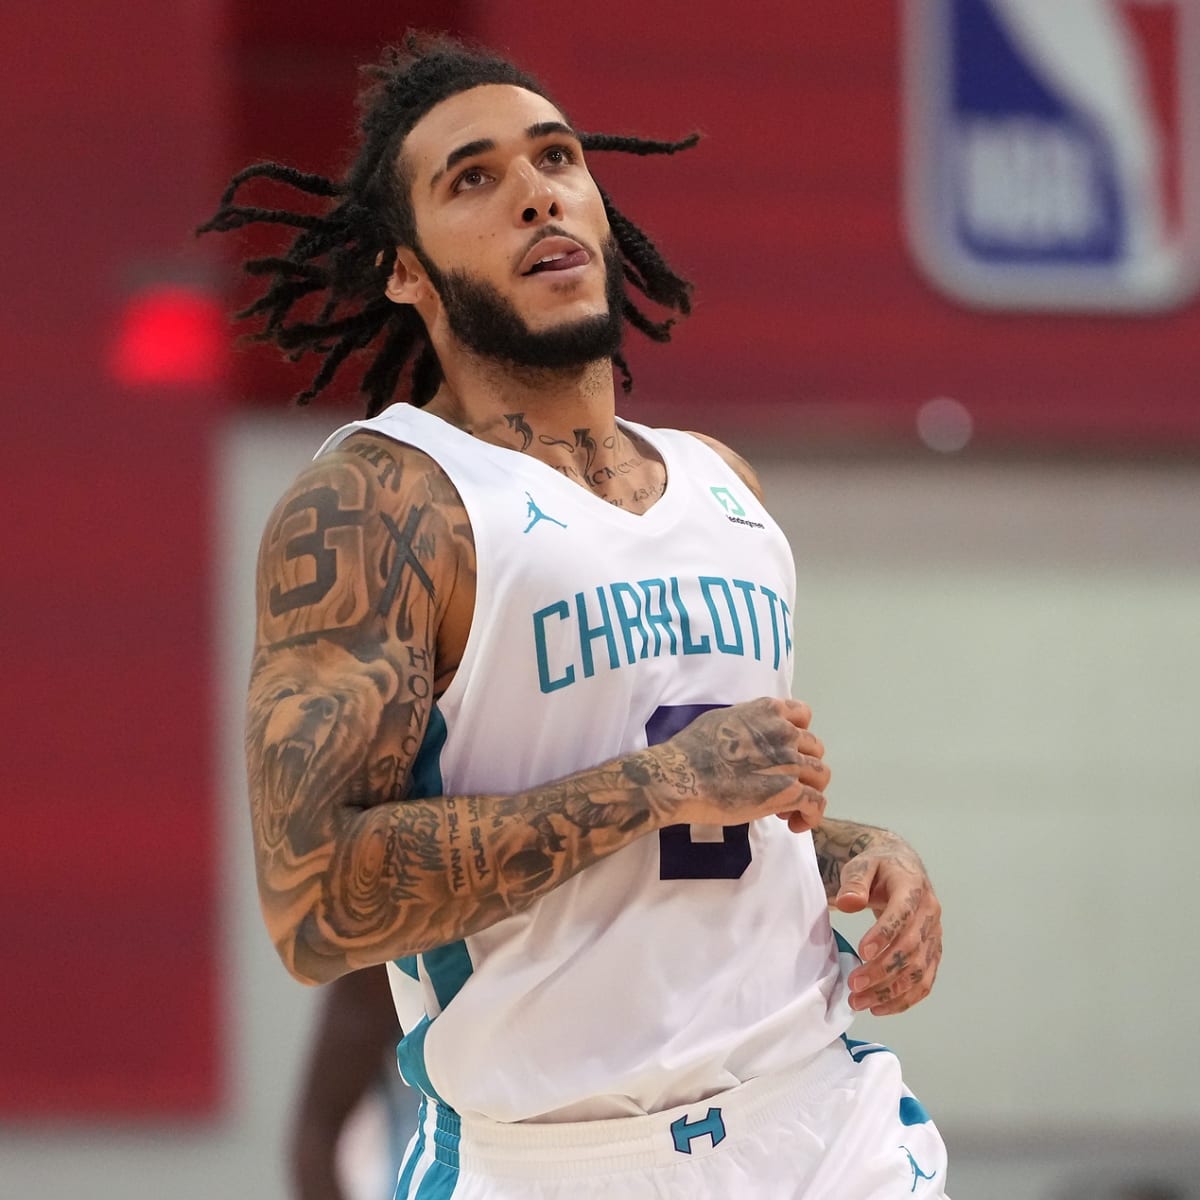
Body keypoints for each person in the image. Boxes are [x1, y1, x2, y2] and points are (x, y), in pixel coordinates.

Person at [202, 33, 949, 1198]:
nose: (537, 191)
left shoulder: (721, 484)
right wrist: (663, 784)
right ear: (405, 271)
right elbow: (315, 903)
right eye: (474, 177)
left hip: (822, 1124)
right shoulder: (384, 502)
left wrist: (857, 852)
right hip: (556, 1158)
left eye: (556, 158)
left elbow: (709, 827)